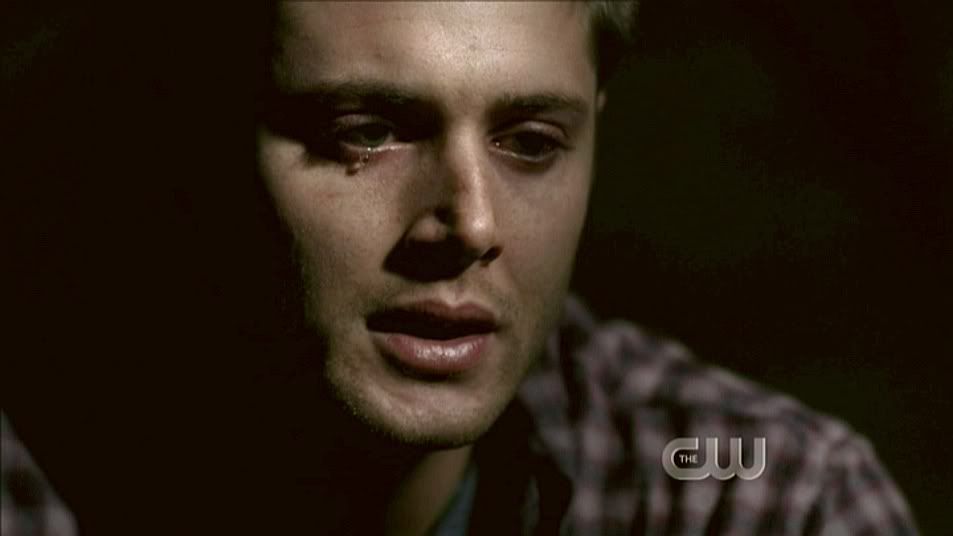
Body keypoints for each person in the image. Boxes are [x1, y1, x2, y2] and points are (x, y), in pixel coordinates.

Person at [1, 2, 919, 535]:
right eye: (366, 132)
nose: (471, 225)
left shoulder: (762, 500)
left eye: (531, 141)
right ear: (191, 134)